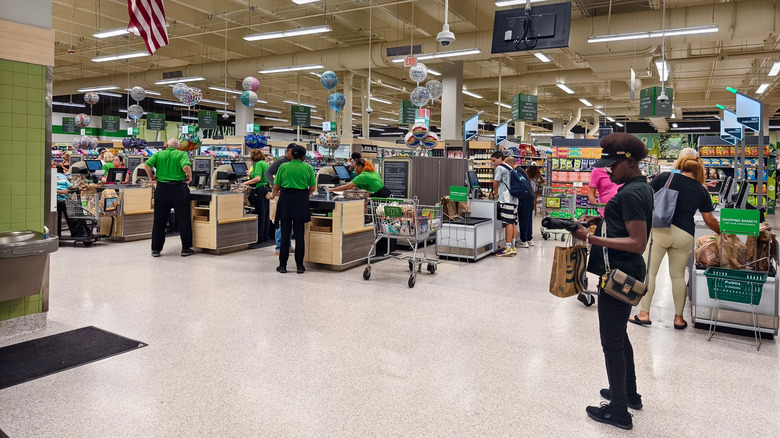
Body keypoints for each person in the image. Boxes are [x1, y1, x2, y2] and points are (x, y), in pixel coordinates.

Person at [571, 133, 654, 430]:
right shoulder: (639, 186)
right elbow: (627, 225)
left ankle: (619, 409)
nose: (608, 170)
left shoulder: (631, 193)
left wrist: (590, 237)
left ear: (629, 161)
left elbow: (637, 241)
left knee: (612, 342)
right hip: (626, 270)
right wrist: (603, 222)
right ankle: (629, 393)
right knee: (620, 336)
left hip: (620, 274)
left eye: (613, 163)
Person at [631, 154, 720, 330]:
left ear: (680, 165)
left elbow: (644, 194)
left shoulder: (665, 177)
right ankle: (678, 319)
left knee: (651, 273)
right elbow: (709, 219)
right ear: (699, 170)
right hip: (684, 234)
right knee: (678, 276)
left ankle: (644, 314)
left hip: (660, 229)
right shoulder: (701, 190)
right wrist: (722, 233)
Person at [269, 145, 316, 274]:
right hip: (301, 200)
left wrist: (273, 195)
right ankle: (300, 266)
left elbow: (276, 186)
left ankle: (282, 265)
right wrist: (304, 195)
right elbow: (312, 187)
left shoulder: (284, 167)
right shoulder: (308, 168)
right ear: (303, 156)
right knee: (299, 235)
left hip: (286, 201)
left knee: (285, 234)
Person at [144, 138, 194, 257]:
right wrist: (189, 176)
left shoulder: (159, 154)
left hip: (162, 189)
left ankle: (156, 249)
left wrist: (151, 177)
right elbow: (186, 167)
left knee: (159, 220)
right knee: (183, 219)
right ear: (179, 147)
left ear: (166, 145)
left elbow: (147, 165)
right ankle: (186, 248)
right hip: (179, 189)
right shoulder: (181, 154)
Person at [265, 144, 296, 256]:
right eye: (293, 152)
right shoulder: (281, 161)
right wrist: (274, 187)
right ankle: (279, 247)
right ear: (288, 151)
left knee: (288, 221)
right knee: (280, 221)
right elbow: (267, 173)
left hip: (287, 194)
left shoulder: (293, 162)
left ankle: (287, 245)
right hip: (279, 195)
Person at [490, 151, 517, 256]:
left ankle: (508, 247)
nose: (493, 163)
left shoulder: (500, 168)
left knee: (508, 223)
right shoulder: (510, 168)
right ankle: (513, 246)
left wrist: (495, 193)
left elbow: (495, 182)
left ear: (500, 158)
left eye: (494, 160)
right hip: (514, 199)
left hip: (506, 199)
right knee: (513, 222)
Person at [504, 157, 534, 248]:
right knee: (528, 219)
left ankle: (524, 240)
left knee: (523, 219)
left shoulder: (516, 171)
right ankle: (529, 239)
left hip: (524, 197)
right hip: (529, 195)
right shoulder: (521, 170)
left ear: (510, 163)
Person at [243, 149, 271, 245]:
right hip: (266, 189)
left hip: (260, 189)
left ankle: (259, 237)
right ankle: (265, 236)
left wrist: (245, 183)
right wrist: (250, 174)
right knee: (265, 213)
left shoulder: (258, 164)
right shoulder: (265, 163)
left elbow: (258, 178)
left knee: (260, 213)